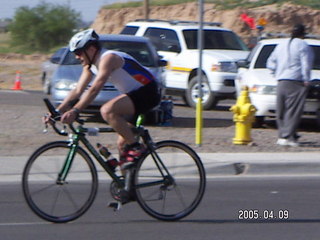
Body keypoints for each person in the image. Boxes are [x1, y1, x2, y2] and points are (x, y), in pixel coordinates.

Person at [47, 29, 161, 167]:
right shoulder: (89, 66)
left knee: (107, 110)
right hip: (133, 95)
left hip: (148, 91)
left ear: (91, 49)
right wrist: (57, 111)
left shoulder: (108, 58)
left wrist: (75, 111)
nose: (77, 57)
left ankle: (137, 147)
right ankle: (127, 186)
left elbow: (95, 89)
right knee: (122, 145)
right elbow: (77, 90)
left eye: (79, 52)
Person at [267, 24, 314, 147]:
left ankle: (283, 135)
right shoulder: (303, 45)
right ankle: (287, 137)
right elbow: (306, 64)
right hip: (296, 80)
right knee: (293, 110)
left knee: (281, 110)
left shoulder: (281, 44)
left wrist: (276, 74)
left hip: (281, 80)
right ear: (303, 34)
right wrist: (306, 80)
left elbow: (270, 62)